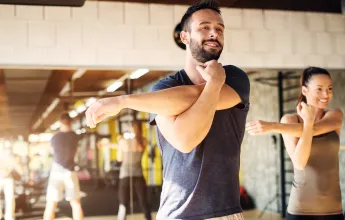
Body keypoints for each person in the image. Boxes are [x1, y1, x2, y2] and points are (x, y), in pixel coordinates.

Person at [85, 0, 250, 219]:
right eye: (204, 27)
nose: (214, 33)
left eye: (219, 29)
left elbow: (192, 96)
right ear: (184, 37)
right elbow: (185, 140)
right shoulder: (164, 89)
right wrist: (213, 85)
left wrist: (124, 101)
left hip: (224, 212)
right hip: (175, 213)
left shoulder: (235, 77)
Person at [246, 67, 344, 220]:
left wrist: (273, 126)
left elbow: (315, 130)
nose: (326, 94)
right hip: (300, 210)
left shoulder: (335, 116)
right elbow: (299, 162)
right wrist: (308, 122)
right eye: (319, 89)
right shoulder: (290, 121)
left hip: (333, 210)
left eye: (329, 89)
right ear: (305, 91)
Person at [43, 113, 84, 220]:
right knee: (76, 203)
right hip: (70, 171)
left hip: (56, 171)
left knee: (51, 205)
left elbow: (51, 151)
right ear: (71, 122)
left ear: (60, 122)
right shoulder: (75, 136)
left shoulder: (54, 137)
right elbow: (77, 151)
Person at [117, 120, 151, 220]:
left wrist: (120, 143)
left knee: (123, 202)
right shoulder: (143, 141)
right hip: (138, 174)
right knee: (143, 200)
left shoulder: (124, 141)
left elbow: (119, 158)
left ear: (132, 128)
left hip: (125, 174)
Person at [0, 146, 23, 220]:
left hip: (8, 179)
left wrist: (14, 163)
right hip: (3, 178)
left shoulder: (14, 157)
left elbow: (21, 171)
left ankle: (9, 217)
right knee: (9, 198)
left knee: (10, 198)